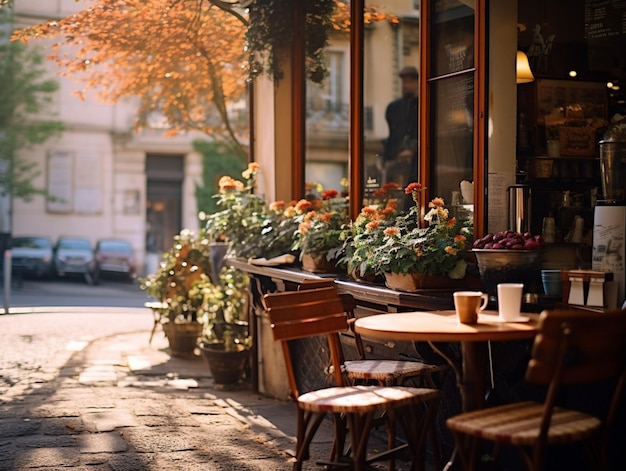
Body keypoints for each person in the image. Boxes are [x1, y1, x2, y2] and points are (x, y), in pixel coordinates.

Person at [383, 65, 418, 191]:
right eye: (404, 82)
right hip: (396, 159)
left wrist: (413, 149)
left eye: (410, 81)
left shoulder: (422, 104)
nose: (406, 85)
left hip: (416, 160)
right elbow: (393, 134)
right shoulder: (394, 107)